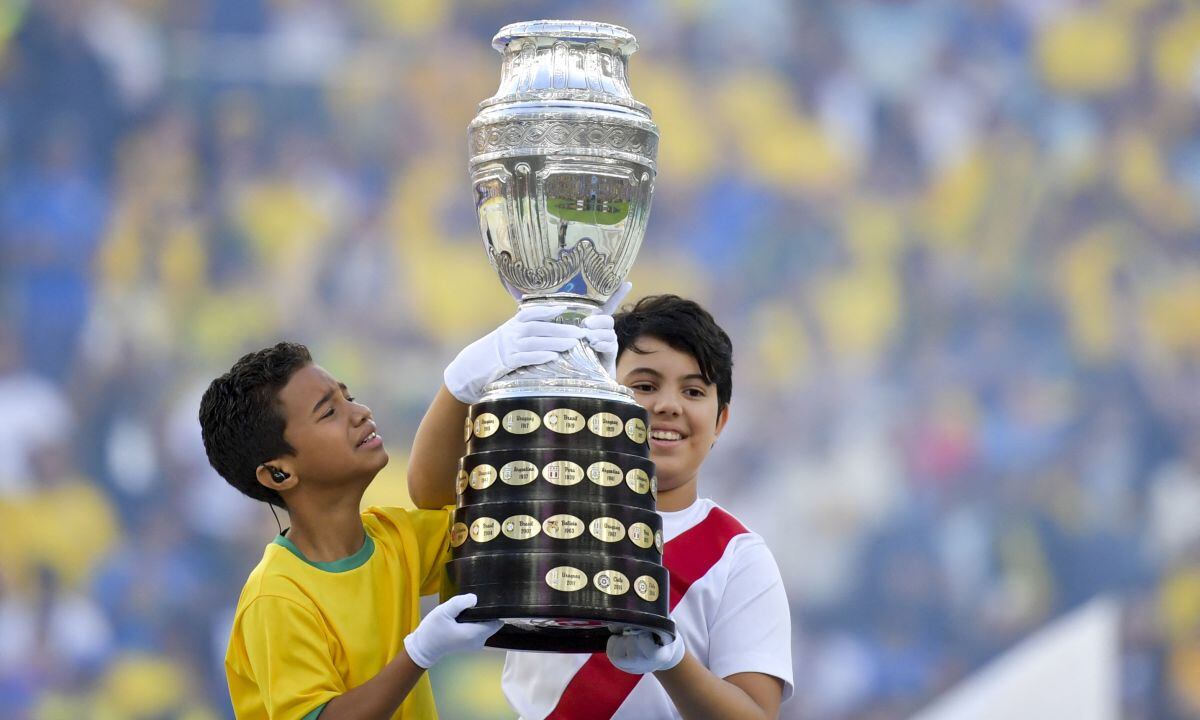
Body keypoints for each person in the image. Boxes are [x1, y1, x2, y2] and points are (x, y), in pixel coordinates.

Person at [408, 292, 794, 719]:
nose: (668, 406)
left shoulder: (738, 556)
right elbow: (431, 494)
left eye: (694, 391)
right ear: (602, 392)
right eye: (645, 387)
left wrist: (673, 661)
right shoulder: (544, 502)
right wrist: (459, 383)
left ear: (721, 420)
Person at [199, 342, 516, 720]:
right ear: (278, 473)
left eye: (349, 397)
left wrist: (460, 388)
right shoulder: (276, 597)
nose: (360, 413)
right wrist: (420, 653)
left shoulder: (394, 536)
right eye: (330, 411)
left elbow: (490, 521)